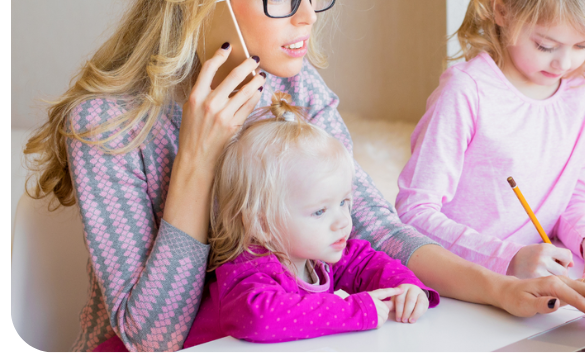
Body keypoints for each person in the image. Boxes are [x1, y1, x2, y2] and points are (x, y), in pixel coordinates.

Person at [24, 0, 585, 353]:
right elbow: (152, 338)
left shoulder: (294, 86)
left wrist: (505, 289)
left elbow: (377, 226)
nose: (308, 17)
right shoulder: (107, 123)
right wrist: (198, 159)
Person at [396, 0, 585, 284]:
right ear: (502, 10)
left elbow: (574, 194)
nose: (564, 62)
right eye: (545, 45)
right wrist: (507, 259)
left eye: (583, 45)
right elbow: (414, 213)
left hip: (538, 283)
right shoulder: (467, 93)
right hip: (467, 285)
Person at [94, 93, 437, 351]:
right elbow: (260, 318)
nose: (342, 223)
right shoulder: (249, 268)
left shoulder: (318, 251)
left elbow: (368, 262)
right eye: (320, 211)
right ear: (261, 222)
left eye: (344, 203)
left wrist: (407, 287)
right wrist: (358, 310)